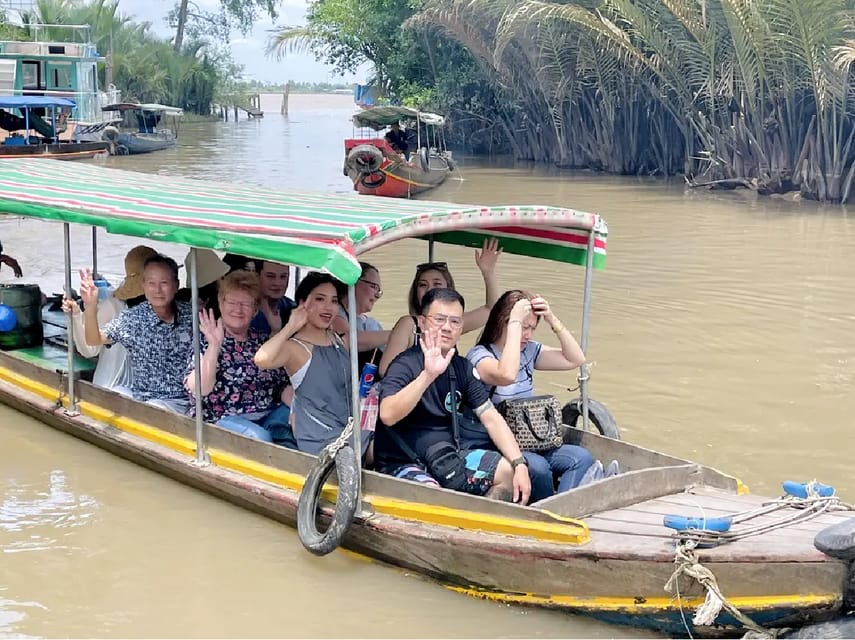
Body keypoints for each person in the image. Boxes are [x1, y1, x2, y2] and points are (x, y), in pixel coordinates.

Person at [375, 288, 531, 504]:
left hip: (448, 458)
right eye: (439, 319)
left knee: (507, 472)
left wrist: (518, 463)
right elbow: (387, 415)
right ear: (422, 322)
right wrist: (428, 375)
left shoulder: (462, 368)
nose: (447, 328)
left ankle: (478, 525)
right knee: (433, 493)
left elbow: (491, 417)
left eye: (455, 322)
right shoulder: (404, 364)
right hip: (403, 462)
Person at [466, 290, 611, 501]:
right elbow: (505, 375)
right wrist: (515, 325)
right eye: (523, 327)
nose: (528, 335)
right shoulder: (480, 355)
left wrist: (551, 318)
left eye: (532, 328)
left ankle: (563, 508)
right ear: (503, 322)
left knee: (580, 457)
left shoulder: (530, 352)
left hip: (534, 438)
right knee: (540, 468)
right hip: (499, 443)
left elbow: (575, 359)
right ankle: (544, 512)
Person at [255, 272, 362, 456]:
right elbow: (262, 359)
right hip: (322, 439)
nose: (328, 307)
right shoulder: (296, 348)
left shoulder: (335, 337)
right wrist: (291, 326)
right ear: (303, 303)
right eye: (320, 299)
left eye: (334, 301)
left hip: (352, 429)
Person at [185, 270, 292, 444]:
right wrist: (214, 346)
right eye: (232, 302)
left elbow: (281, 385)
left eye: (246, 304)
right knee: (261, 438)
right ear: (221, 303)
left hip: (267, 415)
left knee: (298, 426)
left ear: (255, 310)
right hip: (223, 419)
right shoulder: (205, 339)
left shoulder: (261, 340)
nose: (238, 309)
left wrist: (298, 409)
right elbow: (199, 390)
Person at [78, 253, 193, 413]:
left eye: (164, 283)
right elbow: (93, 339)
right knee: (114, 395)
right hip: (143, 398)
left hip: (181, 401)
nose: (158, 290)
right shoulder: (133, 318)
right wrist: (90, 306)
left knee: (154, 409)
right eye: (151, 283)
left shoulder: (191, 315)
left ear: (176, 285)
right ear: (143, 285)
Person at [378, 238, 502, 377]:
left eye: (437, 283)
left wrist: (488, 272)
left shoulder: (452, 323)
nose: (430, 289)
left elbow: (492, 310)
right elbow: (386, 370)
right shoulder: (408, 324)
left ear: (448, 289)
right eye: (422, 285)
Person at [61, 245, 156, 390]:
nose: (159, 290)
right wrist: (78, 314)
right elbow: (89, 349)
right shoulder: (114, 305)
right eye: (152, 283)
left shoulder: (165, 307)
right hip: (116, 385)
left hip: (154, 388)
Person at [331, 261, 389, 363]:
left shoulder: (372, 323)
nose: (377, 295)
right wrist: (395, 334)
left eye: (379, 291)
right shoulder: (334, 312)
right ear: (353, 282)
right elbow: (349, 340)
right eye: (373, 287)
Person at [251, 260, 294, 335]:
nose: (277, 283)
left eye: (283, 276)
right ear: (256, 276)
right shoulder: (241, 310)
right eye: (270, 276)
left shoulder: (293, 309)